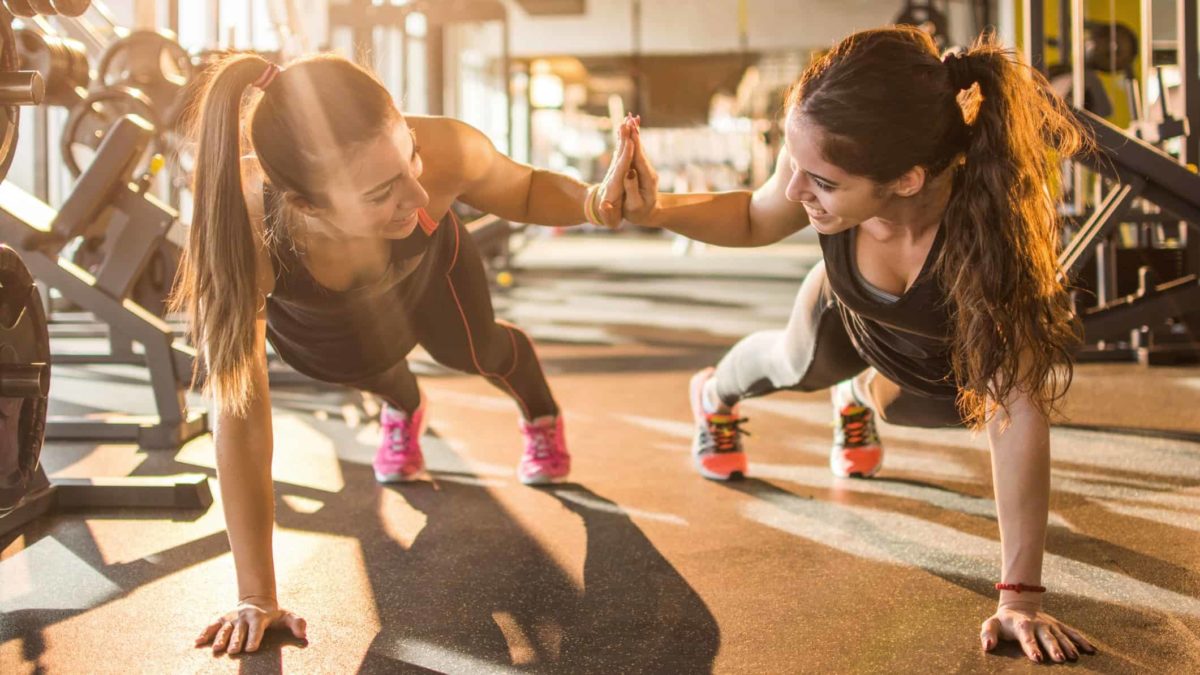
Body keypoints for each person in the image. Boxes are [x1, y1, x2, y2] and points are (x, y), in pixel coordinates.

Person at [615, 27, 1097, 664]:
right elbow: (756, 216)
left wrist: (1020, 599)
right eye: (797, 167)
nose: (796, 191)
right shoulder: (823, 153)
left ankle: (862, 394)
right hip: (848, 314)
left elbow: (1018, 411)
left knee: (911, 409)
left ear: (906, 180)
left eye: (820, 181)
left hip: (938, 359)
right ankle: (714, 392)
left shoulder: (990, 245)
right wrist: (654, 210)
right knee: (794, 362)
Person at [177, 54, 635, 655]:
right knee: (356, 368)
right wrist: (256, 593)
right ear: (307, 205)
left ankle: (539, 412)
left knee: (475, 349)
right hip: (325, 321)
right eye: (381, 191)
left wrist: (597, 202)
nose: (419, 192)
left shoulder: (443, 152)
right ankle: (404, 406)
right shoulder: (237, 218)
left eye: (410, 155)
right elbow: (238, 414)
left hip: (428, 273)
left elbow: (521, 188)